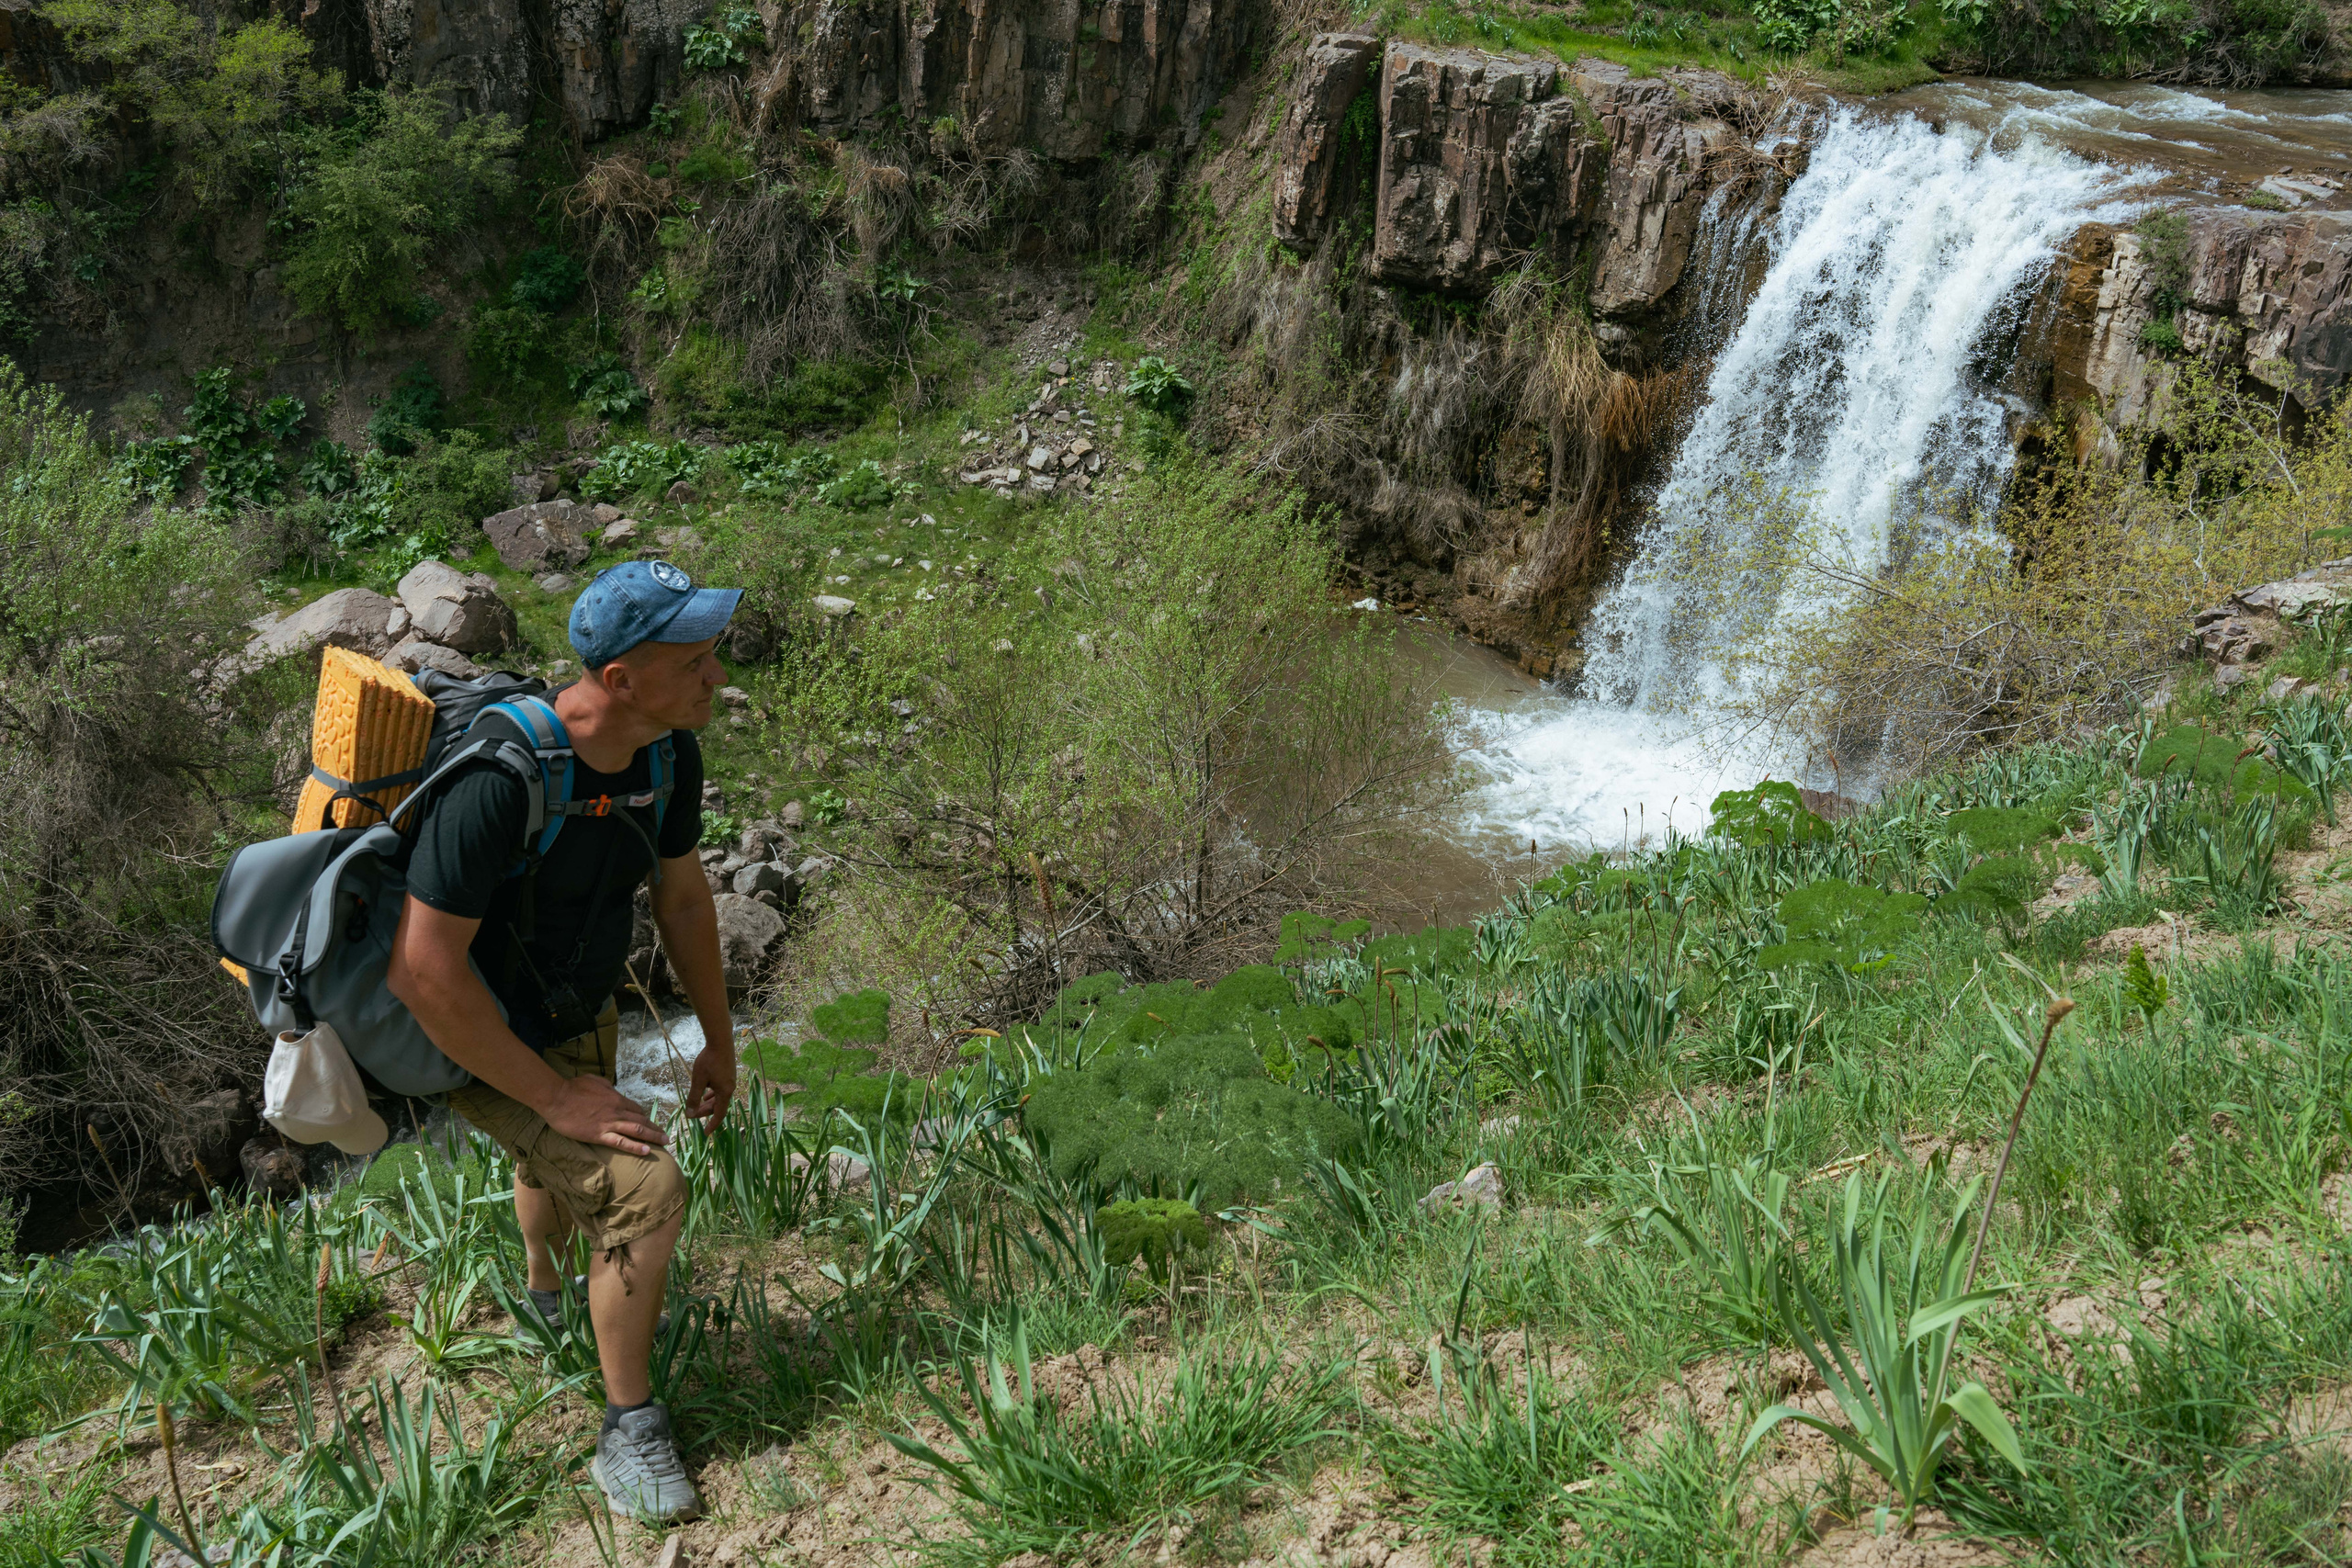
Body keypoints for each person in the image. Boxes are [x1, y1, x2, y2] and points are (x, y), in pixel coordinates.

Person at [388, 560, 742, 1525]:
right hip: (469, 1030)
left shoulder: (666, 755)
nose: (717, 676)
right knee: (643, 1188)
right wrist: (550, 1096)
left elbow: (681, 898)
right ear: (621, 678)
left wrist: (718, 1040)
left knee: (552, 1160)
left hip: (573, 1003)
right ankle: (628, 1428)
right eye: (696, 661)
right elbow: (423, 972)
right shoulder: (500, 778)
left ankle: (544, 1292)